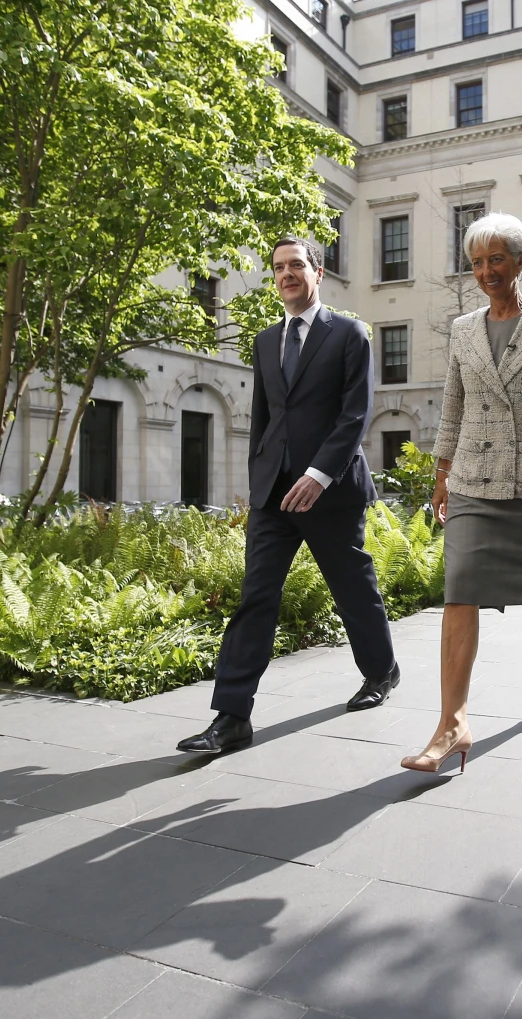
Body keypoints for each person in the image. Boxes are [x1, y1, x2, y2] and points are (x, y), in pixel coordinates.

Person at [178, 238, 400, 756]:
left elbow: (354, 414)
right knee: (256, 597)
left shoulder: (349, 333)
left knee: (352, 589)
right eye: (278, 268)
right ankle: (231, 717)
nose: (287, 274)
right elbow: (265, 418)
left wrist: (320, 473)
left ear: (317, 272)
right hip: (274, 494)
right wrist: (260, 474)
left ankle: (381, 671)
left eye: (296, 265)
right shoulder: (263, 341)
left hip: (331, 491)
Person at [400, 212, 522, 774]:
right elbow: (454, 405)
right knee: (459, 590)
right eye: (477, 262)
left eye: (497, 260)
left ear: (521, 262)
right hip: (472, 479)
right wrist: (441, 474)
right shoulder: (464, 329)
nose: (486, 271)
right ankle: (452, 722)